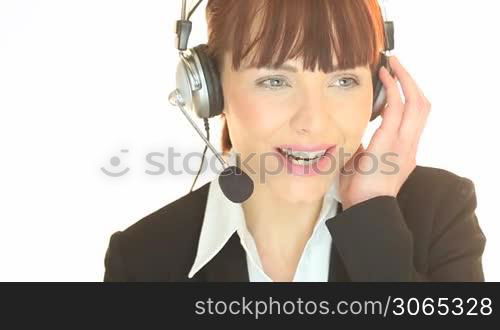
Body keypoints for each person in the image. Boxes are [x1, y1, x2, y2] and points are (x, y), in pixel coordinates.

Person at [104, 0, 486, 282]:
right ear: (211, 93)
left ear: (378, 93)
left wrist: (373, 219)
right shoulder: (141, 259)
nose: (313, 121)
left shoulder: (438, 214)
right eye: (275, 81)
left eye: (343, 81)